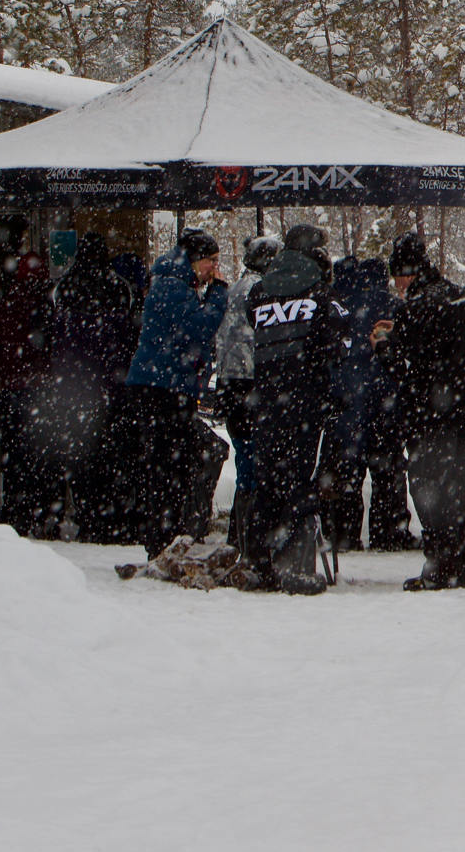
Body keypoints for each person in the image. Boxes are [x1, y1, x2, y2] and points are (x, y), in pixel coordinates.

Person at [243, 224, 352, 594]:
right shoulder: (320, 293)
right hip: (307, 402)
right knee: (303, 482)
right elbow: (340, 333)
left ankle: (259, 563)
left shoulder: (258, 292)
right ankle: (296, 565)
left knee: (268, 480)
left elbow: (252, 322)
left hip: (267, 400)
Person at [376, 233, 465, 590]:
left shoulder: (416, 306)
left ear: (406, 273)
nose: (397, 286)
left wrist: (383, 345)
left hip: (429, 413)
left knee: (429, 489)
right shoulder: (458, 296)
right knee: (461, 489)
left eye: (397, 278)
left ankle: (439, 566)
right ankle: (462, 566)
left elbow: (404, 364)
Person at [120, 228, 229, 558]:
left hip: (164, 386)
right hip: (162, 389)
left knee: (169, 464)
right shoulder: (171, 284)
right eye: (212, 261)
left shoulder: (174, 281)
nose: (215, 267)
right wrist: (219, 293)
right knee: (169, 465)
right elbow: (200, 326)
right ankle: (162, 538)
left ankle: (165, 535)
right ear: (196, 260)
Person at [39, 234, 139, 542]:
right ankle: (110, 518)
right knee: (110, 454)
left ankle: (87, 515)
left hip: (74, 386)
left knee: (81, 456)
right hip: (109, 384)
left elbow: (55, 337)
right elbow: (127, 336)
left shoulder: (63, 289)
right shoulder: (119, 288)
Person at [327, 253, 413, 552]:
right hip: (385, 399)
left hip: (347, 400)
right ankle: (389, 530)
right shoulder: (392, 306)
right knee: (387, 468)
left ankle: (344, 532)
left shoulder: (336, 307)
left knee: (348, 469)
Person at [213, 235, 282, 556]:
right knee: (253, 462)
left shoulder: (235, 289)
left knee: (246, 458)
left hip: (230, 383)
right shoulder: (259, 291)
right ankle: (248, 537)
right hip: (249, 384)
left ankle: (238, 533)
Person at [0, 252, 52, 536]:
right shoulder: (45, 305)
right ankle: (41, 512)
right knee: (39, 457)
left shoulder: (8, 303)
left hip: (13, 388)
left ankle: (15, 513)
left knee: (13, 457)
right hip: (39, 391)